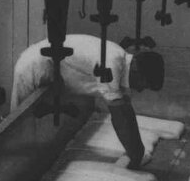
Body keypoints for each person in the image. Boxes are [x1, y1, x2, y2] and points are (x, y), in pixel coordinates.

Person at [10, 34, 165, 169]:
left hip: (49, 64)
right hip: (34, 65)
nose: (139, 90)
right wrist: (135, 155)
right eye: (143, 85)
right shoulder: (111, 62)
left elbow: (126, 109)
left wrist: (137, 153)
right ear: (137, 69)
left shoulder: (123, 62)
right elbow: (119, 116)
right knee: (16, 125)